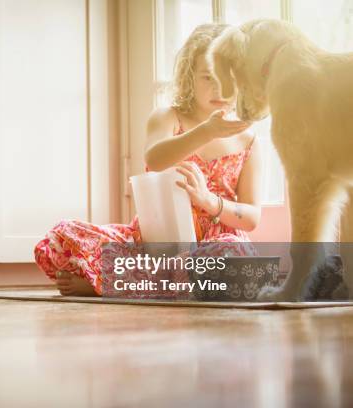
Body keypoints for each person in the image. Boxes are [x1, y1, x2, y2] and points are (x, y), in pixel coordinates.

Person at [34, 24, 262, 296]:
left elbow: (250, 218)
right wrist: (206, 132)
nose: (219, 88)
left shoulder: (248, 140)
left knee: (234, 255)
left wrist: (209, 201)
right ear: (189, 77)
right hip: (153, 243)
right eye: (208, 78)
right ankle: (156, 282)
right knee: (64, 235)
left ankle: (110, 282)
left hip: (215, 247)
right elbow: (154, 160)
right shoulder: (167, 117)